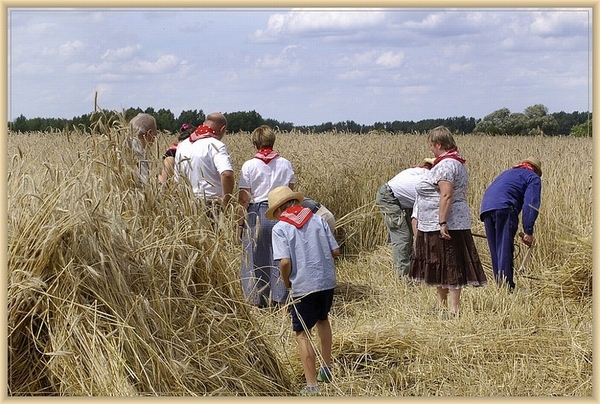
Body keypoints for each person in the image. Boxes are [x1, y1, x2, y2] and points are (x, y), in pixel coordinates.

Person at [266, 186, 340, 396]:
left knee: (302, 333)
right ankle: (326, 369)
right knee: (323, 320)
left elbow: (285, 261)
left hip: (303, 285)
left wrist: (287, 282)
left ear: (280, 209)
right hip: (326, 280)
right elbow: (335, 250)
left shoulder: (280, 228)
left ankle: (311, 385)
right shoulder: (318, 219)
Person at [409, 126, 487, 316]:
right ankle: (441, 305)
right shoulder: (453, 162)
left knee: (451, 263)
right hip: (442, 222)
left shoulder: (446, 165)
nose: (431, 150)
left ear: (438, 144)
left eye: (432, 146)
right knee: (440, 262)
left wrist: (442, 222)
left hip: (447, 223)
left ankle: (453, 309)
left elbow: (446, 195)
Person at [237, 125, 296, 308]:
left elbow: (243, 199)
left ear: (255, 142)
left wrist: (239, 225)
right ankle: (281, 300)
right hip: (281, 212)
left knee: (254, 258)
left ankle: (257, 301)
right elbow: (291, 191)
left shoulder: (249, 165)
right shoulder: (285, 163)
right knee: (280, 256)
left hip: (257, 212)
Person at [480, 156, 542, 291]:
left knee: (495, 248)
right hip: (505, 208)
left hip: (486, 207)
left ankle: (499, 285)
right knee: (505, 247)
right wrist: (528, 231)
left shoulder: (507, 173)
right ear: (536, 171)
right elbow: (531, 204)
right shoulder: (533, 178)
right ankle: (507, 287)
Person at [376, 157, 435, 278]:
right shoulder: (426, 183)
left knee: (407, 236)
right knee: (403, 237)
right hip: (389, 198)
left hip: (397, 198)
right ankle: (403, 276)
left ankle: (411, 271)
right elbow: (416, 221)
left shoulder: (421, 171)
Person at [174, 112, 234, 212]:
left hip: (186, 205)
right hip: (211, 206)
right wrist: (226, 204)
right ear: (222, 129)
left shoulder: (182, 145)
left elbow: (177, 179)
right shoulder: (217, 146)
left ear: (204, 123)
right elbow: (227, 174)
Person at [126, 112, 157, 185]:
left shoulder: (121, 148)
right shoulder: (139, 154)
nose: (155, 140)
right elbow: (145, 185)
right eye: (155, 135)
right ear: (149, 134)